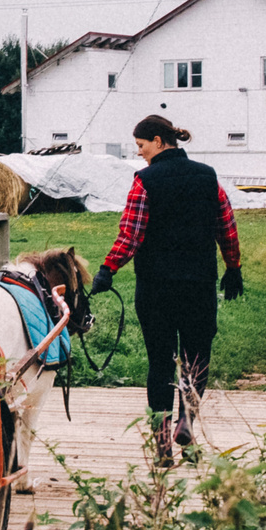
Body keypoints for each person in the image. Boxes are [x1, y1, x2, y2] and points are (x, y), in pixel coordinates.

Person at [89, 115, 242, 463]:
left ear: (158, 141)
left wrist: (108, 268)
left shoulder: (145, 181)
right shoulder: (208, 177)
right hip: (199, 286)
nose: (140, 154)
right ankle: (186, 421)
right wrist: (233, 268)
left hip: (156, 288)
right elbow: (226, 226)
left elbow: (131, 233)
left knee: (160, 362)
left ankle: (162, 445)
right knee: (195, 359)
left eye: (141, 146)